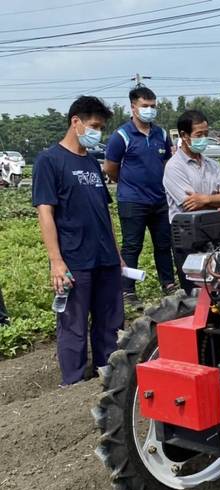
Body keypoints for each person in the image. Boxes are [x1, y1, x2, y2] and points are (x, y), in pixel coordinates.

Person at [32, 95, 123, 387]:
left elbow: (104, 212)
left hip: (105, 258)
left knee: (110, 323)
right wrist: (56, 261)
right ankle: (72, 384)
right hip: (74, 258)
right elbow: (45, 212)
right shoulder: (49, 161)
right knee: (73, 325)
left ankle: (106, 375)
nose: (98, 132)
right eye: (94, 125)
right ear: (76, 122)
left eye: (101, 127)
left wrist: (117, 253)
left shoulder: (93, 164)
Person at [105, 86, 175, 310]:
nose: (150, 110)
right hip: (132, 201)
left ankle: (168, 283)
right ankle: (128, 290)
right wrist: (128, 184)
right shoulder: (121, 136)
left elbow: (167, 164)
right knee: (132, 246)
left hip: (160, 199)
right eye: (145, 106)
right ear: (133, 107)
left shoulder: (161, 134)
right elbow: (110, 168)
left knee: (164, 244)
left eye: (153, 106)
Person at [163, 110, 220, 294]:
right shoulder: (174, 167)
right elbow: (189, 206)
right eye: (198, 135)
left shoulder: (212, 165)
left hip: (214, 234)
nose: (203, 138)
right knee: (196, 292)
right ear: (184, 136)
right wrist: (216, 200)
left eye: (205, 133)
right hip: (187, 237)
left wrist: (205, 199)